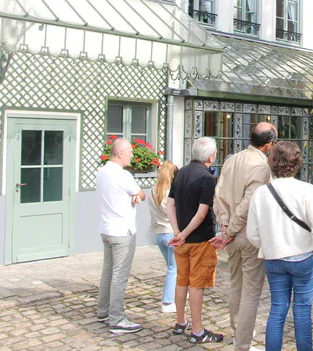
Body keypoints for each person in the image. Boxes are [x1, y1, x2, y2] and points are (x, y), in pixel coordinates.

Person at [247, 141, 313, 351]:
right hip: (304, 255)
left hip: (274, 258)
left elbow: (252, 234)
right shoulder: (307, 190)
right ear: (297, 162)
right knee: (302, 310)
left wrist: (269, 245)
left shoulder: (261, 193)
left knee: (277, 308)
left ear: (272, 162)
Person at [211, 122, 277, 351]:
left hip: (231, 232)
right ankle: (243, 344)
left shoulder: (232, 159)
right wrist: (228, 229)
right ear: (269, 145)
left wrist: (224, 224)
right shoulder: (262, 167)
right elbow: (248, 205)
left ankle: (239, 331)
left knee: (237, 285)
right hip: (247, 235)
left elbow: (218, 194)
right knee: (249, 291)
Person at [167, 137, 223, 343]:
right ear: (210, 156)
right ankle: (198, 331)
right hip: (200, 239)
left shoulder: (180, 172)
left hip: (181, 239)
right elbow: (201, 214)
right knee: (197, 284)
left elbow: (169, 205)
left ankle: (181, 322)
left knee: (182, 281)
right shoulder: (207, 178)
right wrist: (183, 234)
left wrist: (177, 232)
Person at [96, 137, 145, 334]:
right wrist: (137, 195)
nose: (133, 156)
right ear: (121, 153)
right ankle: (117, 319)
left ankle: (103, 311)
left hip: (106, 228)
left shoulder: (102, 172)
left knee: (108, 272)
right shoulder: (122, 174)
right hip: (123, 231)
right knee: (119, 276)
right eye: (131, 152)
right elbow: (142, 193)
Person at [147, 160, 179, 313]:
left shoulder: (153, 190)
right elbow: (172, 213)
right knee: (174, 268)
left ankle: (175, 292)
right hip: (170, 232)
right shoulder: (170, 192)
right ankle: (167, 301)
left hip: (159, 233)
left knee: (172, 267)